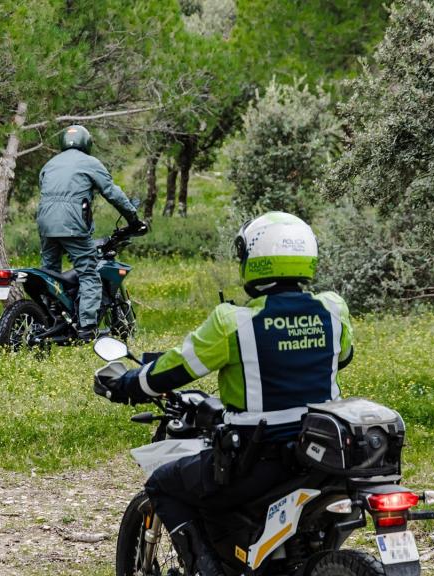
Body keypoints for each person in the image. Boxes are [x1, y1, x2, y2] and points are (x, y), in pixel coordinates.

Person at [104, 212, 353, 576]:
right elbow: (341, 357)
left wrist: (126, 384)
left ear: (253, 260)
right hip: (321, 456)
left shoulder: (232, 321)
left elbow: (174, 370)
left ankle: (208, 569)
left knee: (163, 483)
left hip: (257, 460)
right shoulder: (333, 309)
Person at [36, 125, 146, 341]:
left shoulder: (49, 164)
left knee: (50, 273)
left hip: (45, 224)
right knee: (88, 272)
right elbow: (112, 192)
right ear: (86, 142)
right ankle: (87, 327)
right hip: (73, 225)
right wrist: (133, 218)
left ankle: (49, 318)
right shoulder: (90, 163)